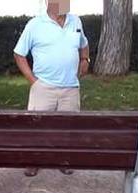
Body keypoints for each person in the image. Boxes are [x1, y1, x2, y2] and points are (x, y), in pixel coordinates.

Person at [13, 0, 90, 177]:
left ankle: (63, 160)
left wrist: (85, 59)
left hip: (70, 88)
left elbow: (83, 44)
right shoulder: (35, 25)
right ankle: (34, 161)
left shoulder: (76, 21)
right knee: (37, 127)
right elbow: (19, 54)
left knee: (67, 128)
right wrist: (33, 81)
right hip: (43, 87)